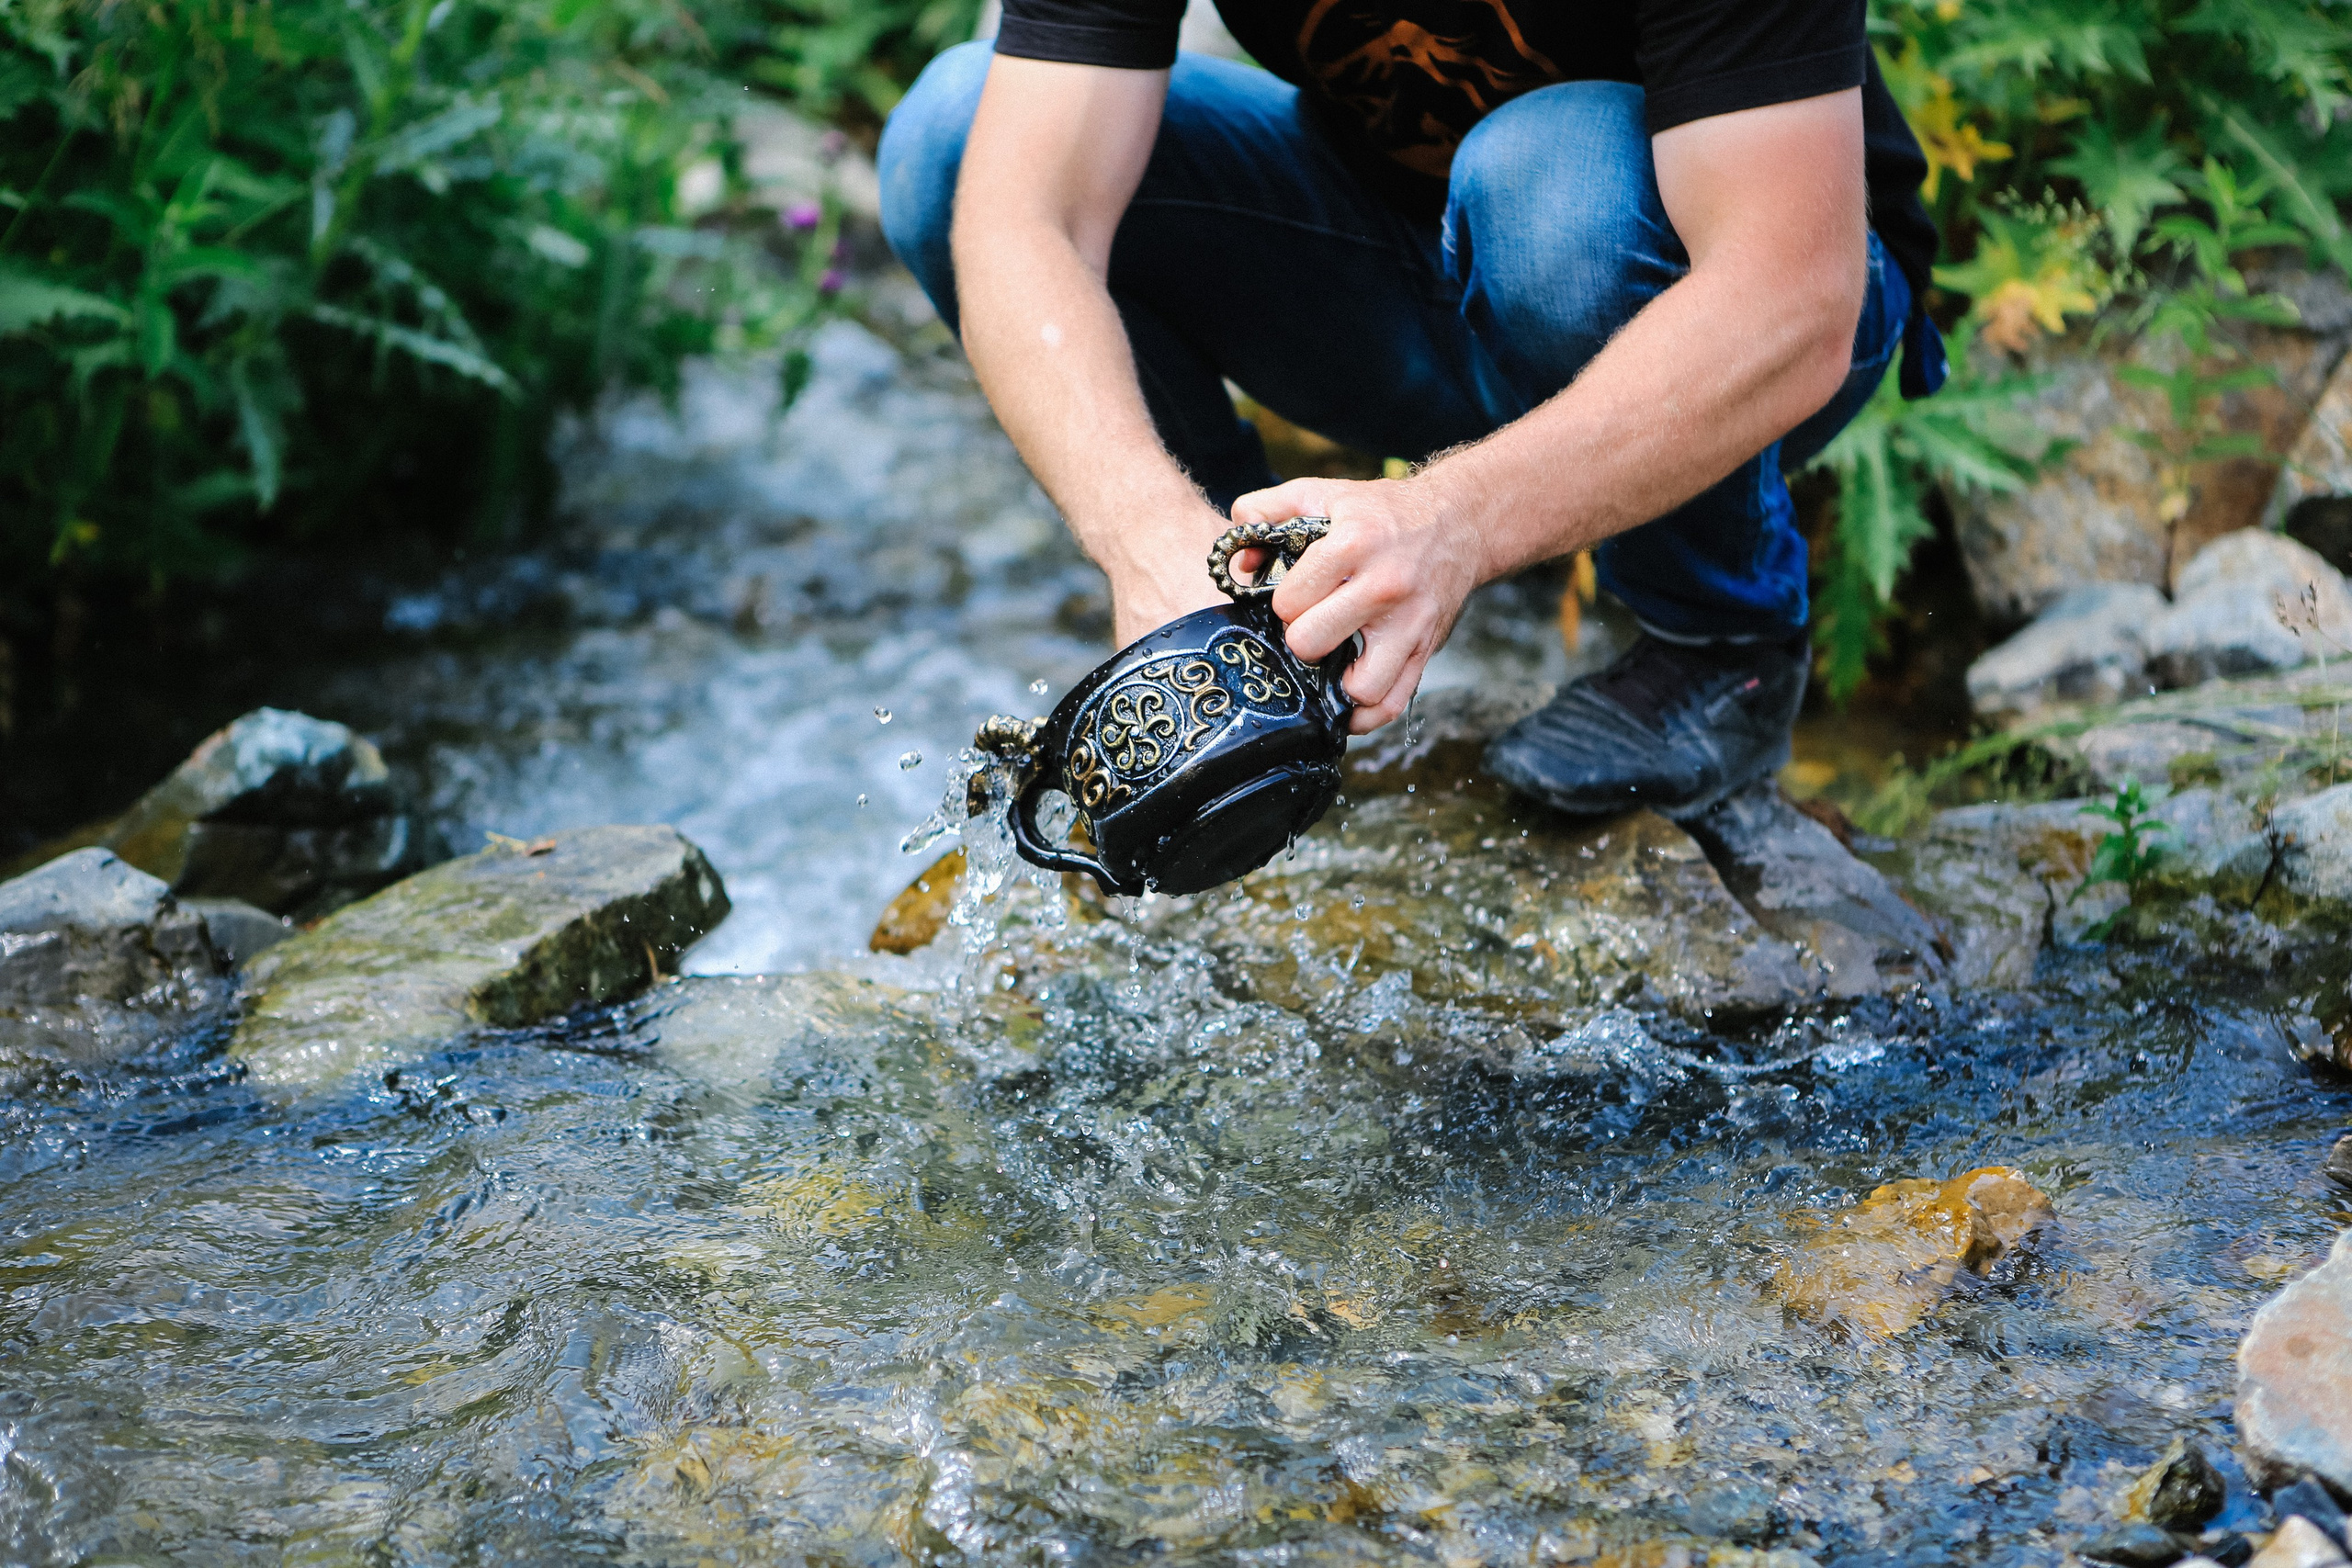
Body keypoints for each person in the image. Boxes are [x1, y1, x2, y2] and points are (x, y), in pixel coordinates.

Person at [876, 0, 1944, 819]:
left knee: (1547, 182)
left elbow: (1790, 299)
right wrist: (1148, 536)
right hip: (1389, 276)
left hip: (1698, 297)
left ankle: (1719, 642)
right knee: (956, 133)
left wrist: (1453, 523)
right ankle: (1254, 635)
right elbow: (1025, 220)